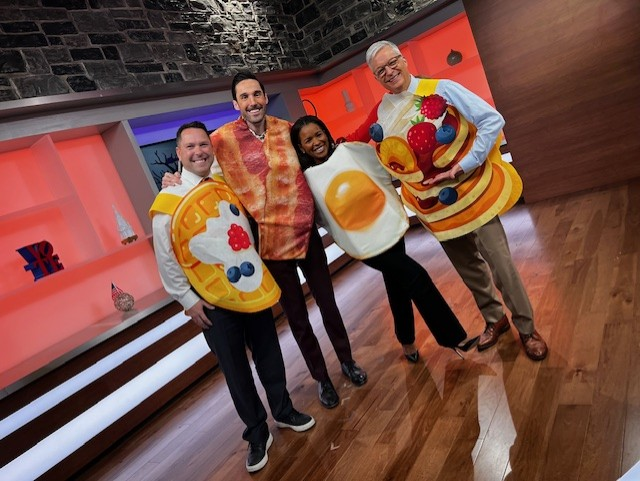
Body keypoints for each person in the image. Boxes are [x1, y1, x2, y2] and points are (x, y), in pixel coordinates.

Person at [163, 73, 367, 410]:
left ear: (265, 96)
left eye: (256, 94)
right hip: (268, 244)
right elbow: (198, 167)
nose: (252, 101)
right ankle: (323, 379)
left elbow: (317, 154)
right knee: (297, 318)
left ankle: (347, 361)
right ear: (235, 104)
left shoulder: (287, 129)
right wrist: (173, 178)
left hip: (305, 233)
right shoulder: (221, 141)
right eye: (244, 97)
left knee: (328, 304)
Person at [343, 40, 548, 361]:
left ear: (403, 59)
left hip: (471, 192)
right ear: (375, 77)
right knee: (469, 269)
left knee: (501, 265)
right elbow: (366, 147)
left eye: (392, 62)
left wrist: (462, 165)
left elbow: (491, 119)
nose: (389, 71)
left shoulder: (441, 88)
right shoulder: (381, 111)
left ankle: (527, 327)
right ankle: (496, 320)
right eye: (380, 70)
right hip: (434, 207)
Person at [149, 121, 315, 473]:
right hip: (211, 300)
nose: (199, 152)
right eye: (190, 147)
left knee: (269, 351)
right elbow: (165, 255)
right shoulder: (169, 199)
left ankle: (283, 411)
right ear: (178, 154)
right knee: (235, 368)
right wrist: (186, 299)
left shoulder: (224, 185)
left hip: (248, 288)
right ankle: (256, 432)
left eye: (203, 146)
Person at [291, 115, 479, 362]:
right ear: (300, 147)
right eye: (308, 140)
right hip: (363, 240)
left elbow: (376, 167)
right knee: (416, 276)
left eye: (318, 134)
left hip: (385, 222)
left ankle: (407, 342)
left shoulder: (348, 152)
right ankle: (454, 338)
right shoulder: (308, 178)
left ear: (326, 132)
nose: (316, 142)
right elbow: (321, 215)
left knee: (397, 285)